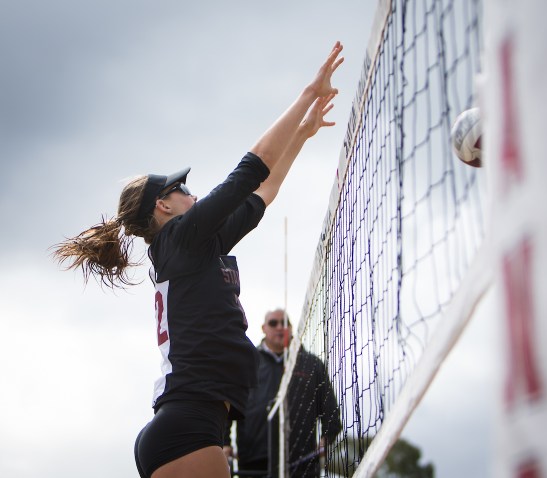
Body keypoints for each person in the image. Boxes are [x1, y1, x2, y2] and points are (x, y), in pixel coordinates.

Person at [52, 42, 344, 478]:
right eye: (181, 189)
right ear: (163, 207)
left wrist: (302, 135)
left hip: (191, 425)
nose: (192, 192)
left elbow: (263, 192)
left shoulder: (196, 246)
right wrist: (308, 92)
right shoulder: (180, 240)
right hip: (187, 427)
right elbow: (253, 166)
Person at [225, 309, 342, 478]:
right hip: (253, 463)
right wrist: (225, 443)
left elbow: (331, 412)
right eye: (274, 323)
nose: (280, 327)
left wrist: (327, 439)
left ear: (292, 328)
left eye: (285, 323)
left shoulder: (312, 365)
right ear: (264, 328)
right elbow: (229, 406)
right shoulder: (247, 363)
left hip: (302, 463)